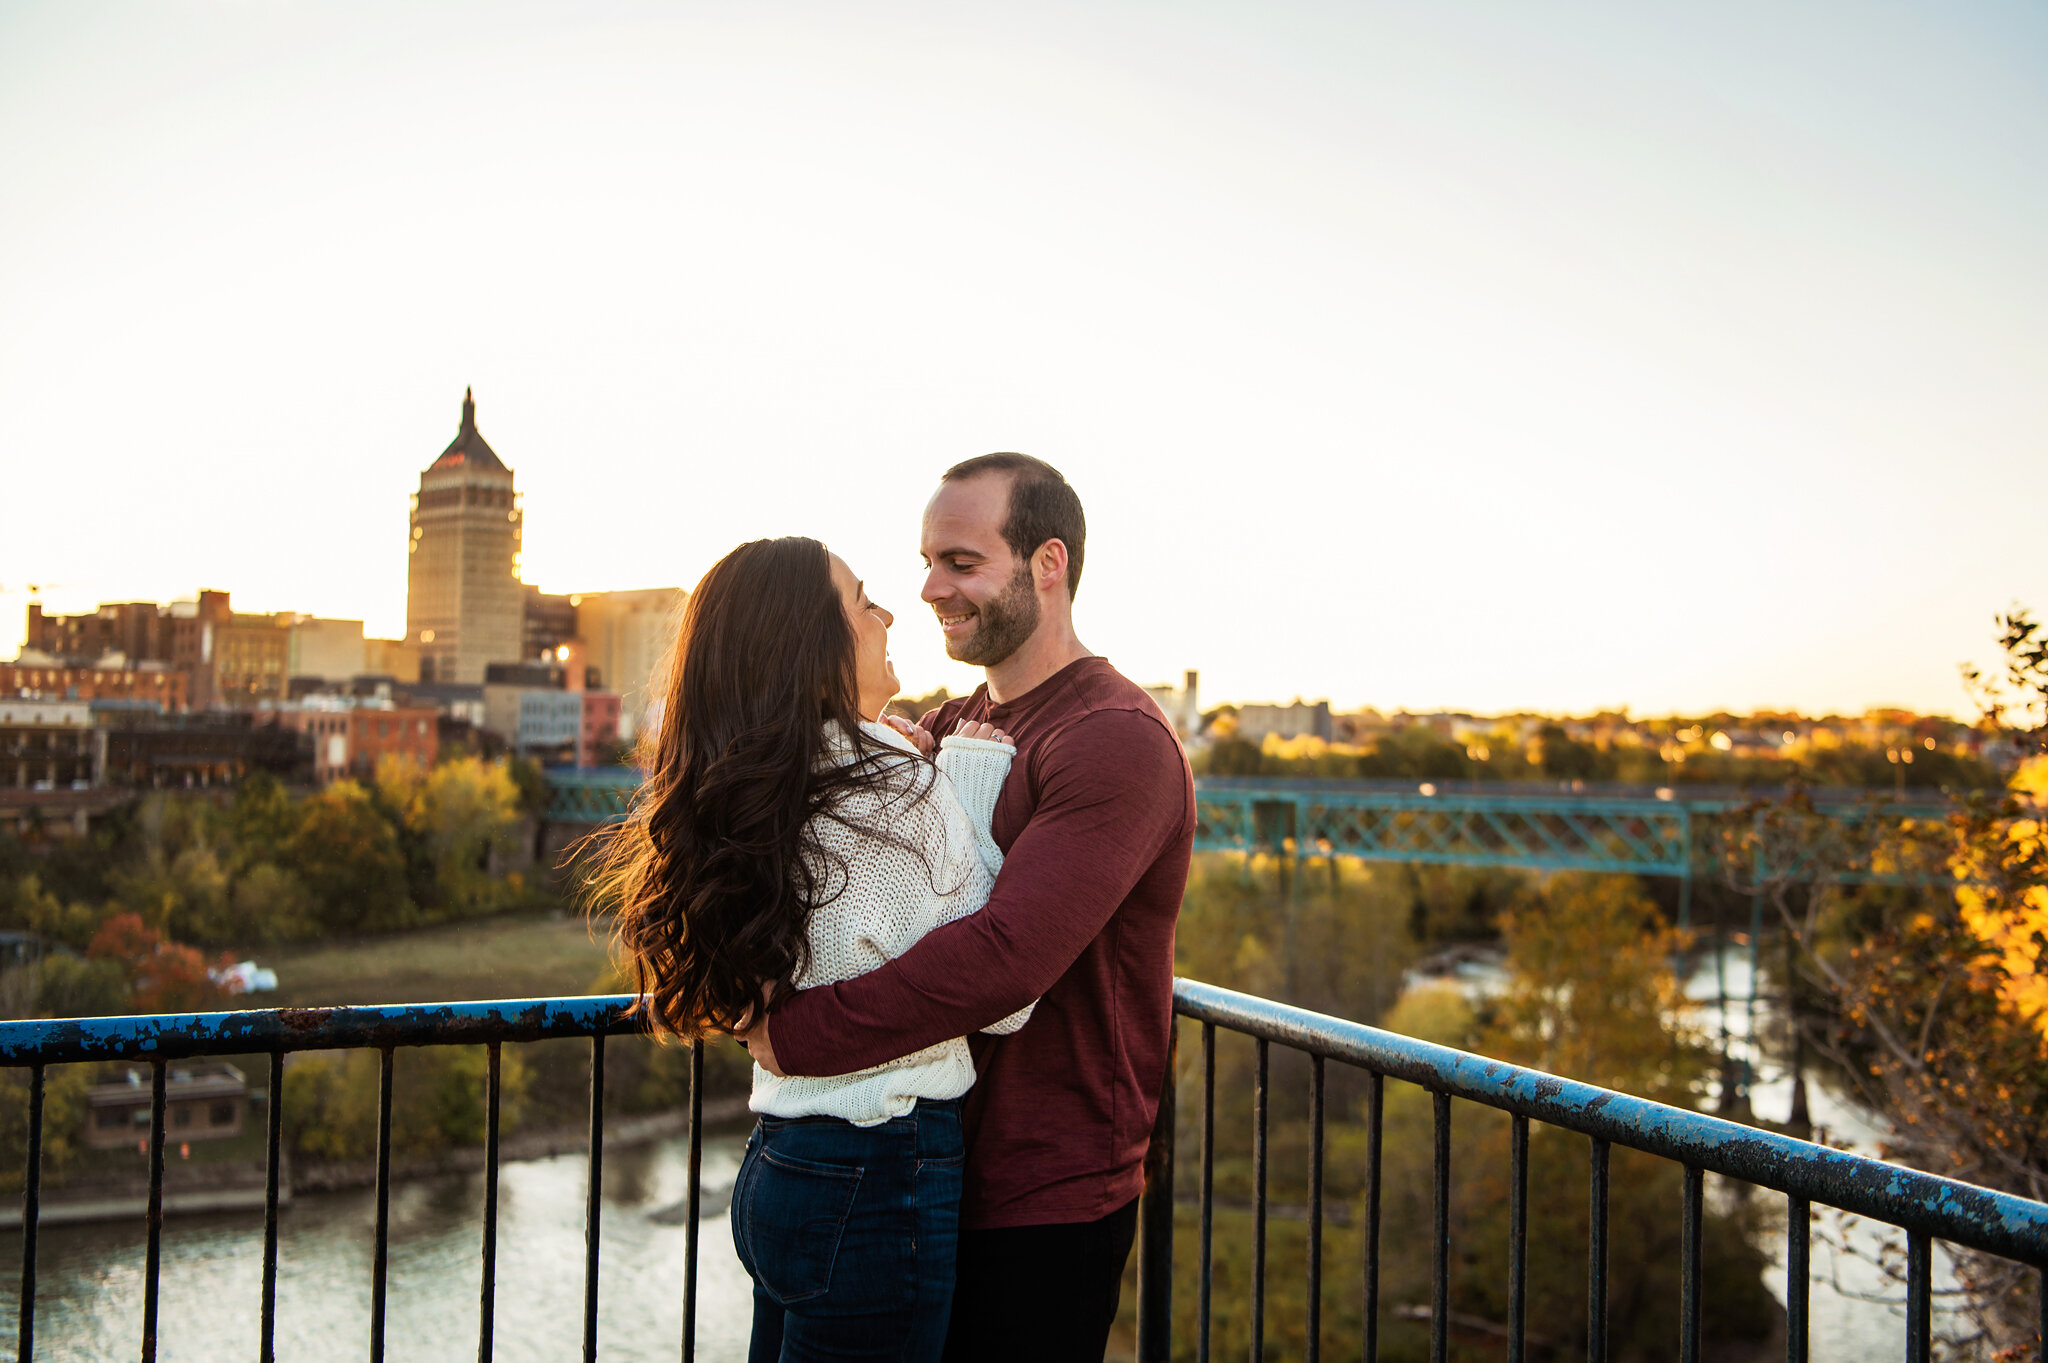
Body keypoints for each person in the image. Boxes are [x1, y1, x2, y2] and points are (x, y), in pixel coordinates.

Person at [743, 454, 1196, 1363]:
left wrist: (792, 1036)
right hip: (903, 1172)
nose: (928, 589)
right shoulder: (950, 727)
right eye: (925, 562)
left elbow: (1004, 958)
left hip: (1040, 1195)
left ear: (1048, 563)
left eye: (960, 562)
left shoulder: (1113, 740)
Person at [586, 534, 1031, 1362]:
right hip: (883, 1169)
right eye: (864, 600)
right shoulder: (899, 790)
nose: (890, 612)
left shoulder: (760, 790)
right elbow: (1005, 999)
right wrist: (969, 779)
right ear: (812, 645)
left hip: (780, 1166)